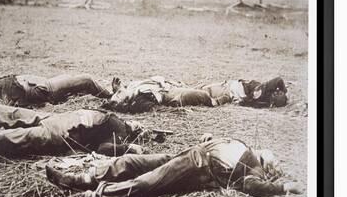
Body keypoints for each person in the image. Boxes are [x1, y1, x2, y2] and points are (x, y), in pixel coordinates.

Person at [45, 134, 302, 197]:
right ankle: (79, 179)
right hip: (191, 153)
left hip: (196, 167)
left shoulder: (253, 167)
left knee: (146, 183)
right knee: (132, 163)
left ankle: (88, 196)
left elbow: (251, 186)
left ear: (267, 166)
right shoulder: (244, 145)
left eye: (274, 162)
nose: (272, 157)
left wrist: (281, 187)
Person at [0, 104, 144, 163]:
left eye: (139, 126)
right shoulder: (112, 116)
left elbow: (104, 149)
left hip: (63, 132)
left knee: (10, 138)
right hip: (54, 117)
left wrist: (129, 147)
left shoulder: (121, 130)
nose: (137, 123)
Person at [105, 76, 288, 112]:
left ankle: (213, 98)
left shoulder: (136, 87)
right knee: (202, 94)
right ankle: (215, 101)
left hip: (171, 87)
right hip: (229, 88)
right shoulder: (260, 90)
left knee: (200, 91)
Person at [0, 74, 113, 108]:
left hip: (44, 84)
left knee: (80, 84)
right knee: (86, 80)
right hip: (47, 88)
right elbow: (10, 104)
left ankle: (107, 93)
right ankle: (113, 97)